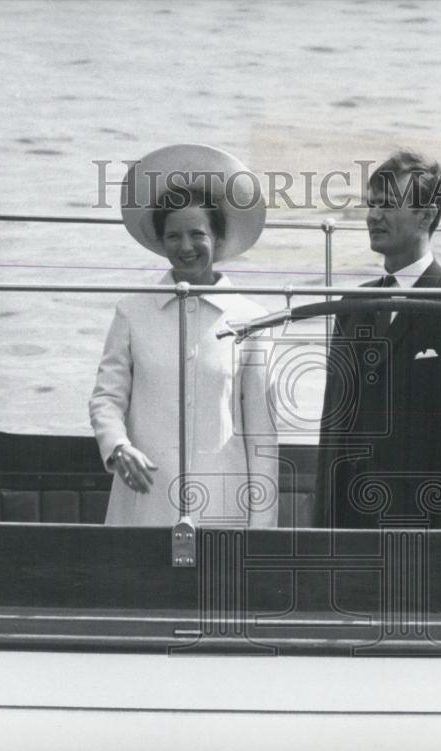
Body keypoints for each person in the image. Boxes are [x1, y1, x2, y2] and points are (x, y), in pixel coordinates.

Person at [90, 144, 278, 528]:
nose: (186, 247)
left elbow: (262, 438)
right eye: (173, 236)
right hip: (145, 500)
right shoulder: (132, 311)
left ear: (218, 237)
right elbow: (106, 398)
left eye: (197, 234)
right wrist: (119, 447)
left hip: (224, 504)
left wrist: (262, 531)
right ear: (160, 241)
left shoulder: (252, 320)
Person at [316, 150, 441, 528]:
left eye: (387, 205)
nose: (373, 216)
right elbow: (333, 426)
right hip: (351, 527)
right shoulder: (352, 305)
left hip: (426, 528)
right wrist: (324, 523)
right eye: (371, 204)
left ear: (425, 215)